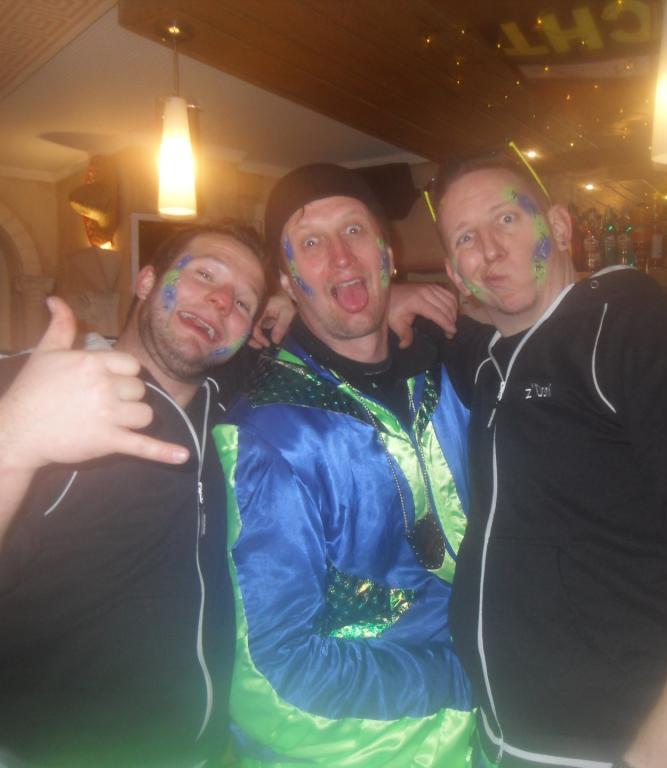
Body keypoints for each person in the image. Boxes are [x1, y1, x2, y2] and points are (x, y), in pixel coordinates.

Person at [428, 150, 667, 768]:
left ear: (559, 227)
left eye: (507, 219)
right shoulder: (489, 358)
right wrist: (344, 304)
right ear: (455, 271)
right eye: (466, 239)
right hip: (507, 745)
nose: (491, 251)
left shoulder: (636, 329)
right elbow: (423, 330)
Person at [0, 221, 271, 766]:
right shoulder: (33, 394)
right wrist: (8, 439)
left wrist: (311, 305)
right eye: (204, 274)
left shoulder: (230, 407)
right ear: (146, 280)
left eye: (244, 302)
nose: (222, 300)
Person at [213, 164, 475, 767]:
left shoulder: (451, 378)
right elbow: (272, 672)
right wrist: (469, 679)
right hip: (356, 748)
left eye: (355, 231)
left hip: (494, 736)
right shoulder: (265, 438)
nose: (340, 257)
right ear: (287, 281)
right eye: (311, 242)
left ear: (388, 253)